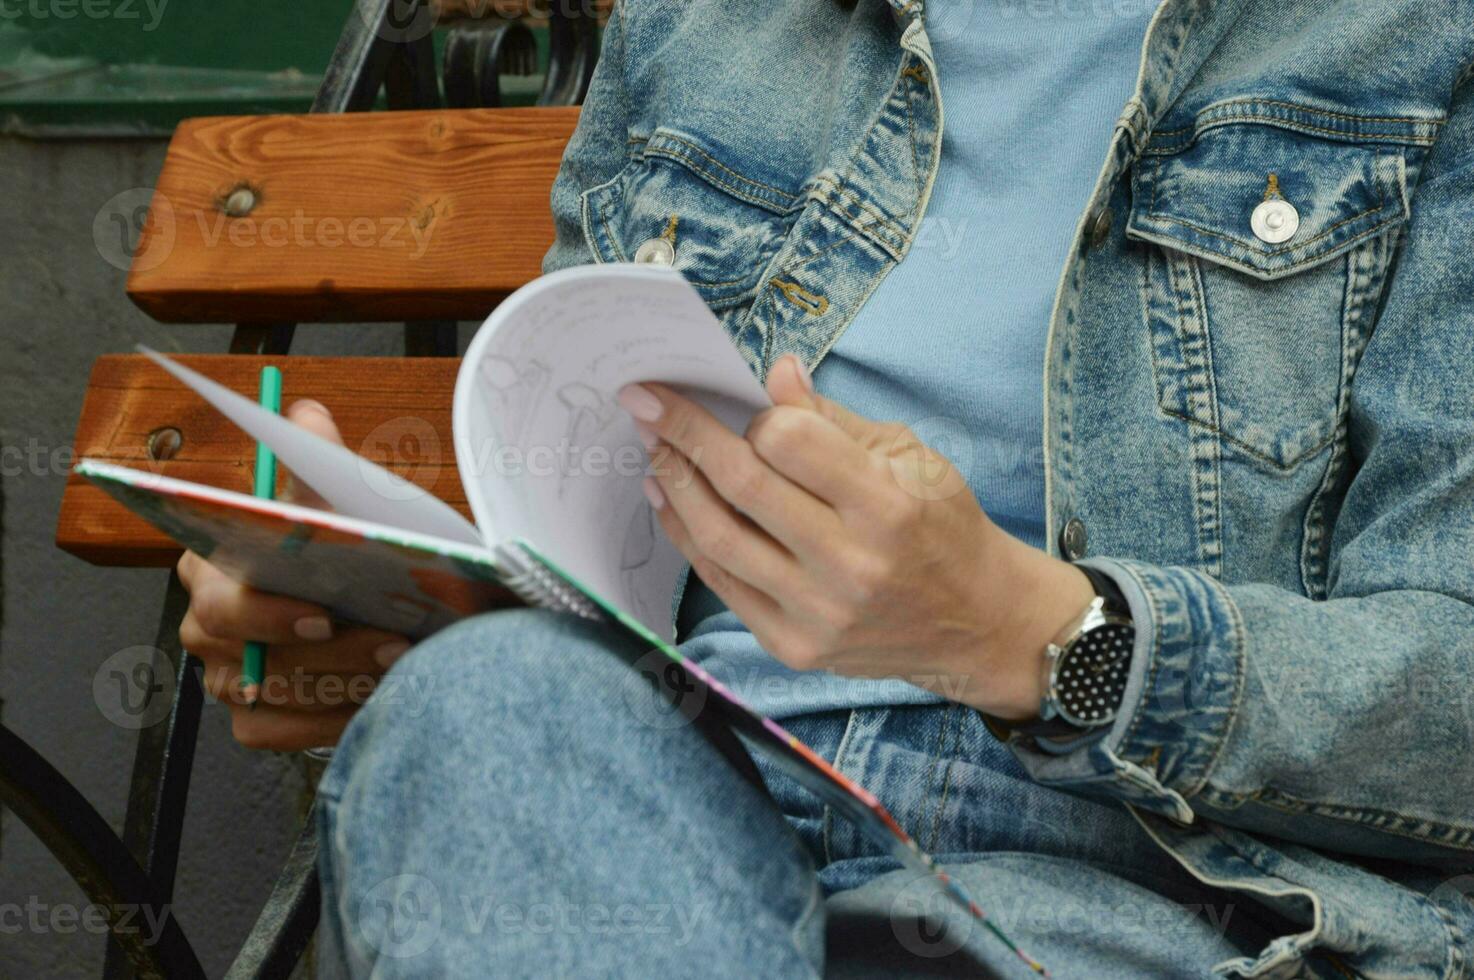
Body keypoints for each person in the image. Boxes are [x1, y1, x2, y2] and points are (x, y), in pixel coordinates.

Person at [176, 0, 1474, 975]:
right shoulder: (709, 21)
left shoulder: (1412, 39)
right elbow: (583, 538)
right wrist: (381, 594)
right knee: (484, 703)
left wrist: (1028, 633)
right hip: (683, 771)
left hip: (1148, 870)